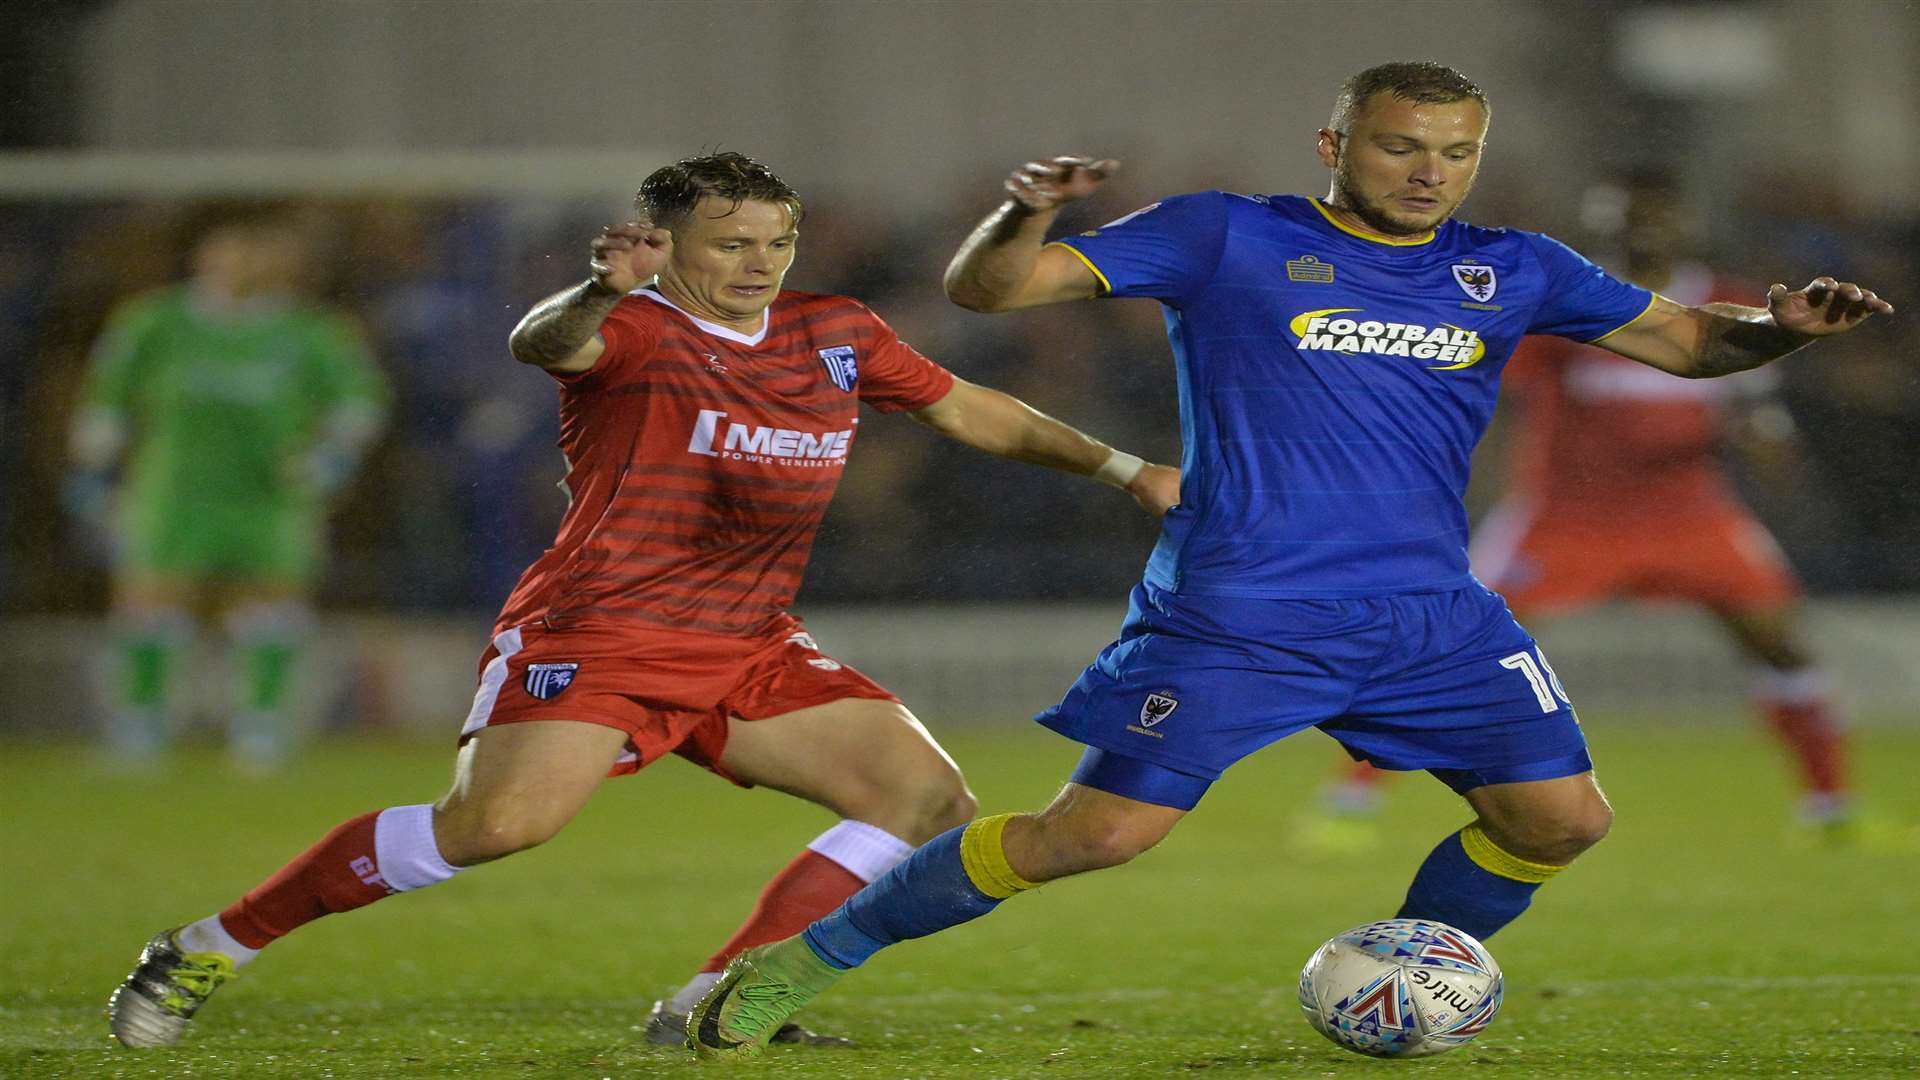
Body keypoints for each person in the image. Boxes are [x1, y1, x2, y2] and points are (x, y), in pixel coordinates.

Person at [683, 62, 1894, 1057]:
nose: (1428, 172)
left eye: (1454, 152)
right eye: (1400, 147)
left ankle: (1402, 978)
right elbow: (992, 290)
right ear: (1334, 146)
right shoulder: (1225, 237)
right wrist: (1027, 213)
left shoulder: (1513, 266)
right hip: (1241, 611)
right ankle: (791, 969)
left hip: (1432, 614)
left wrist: (1774, 335)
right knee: (1091, 838)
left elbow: (1688, 345)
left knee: (1559, 822)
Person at [105, 152, 1179, 1051]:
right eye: (730, 244)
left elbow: (968, 410)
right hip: (605, 626)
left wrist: (1128, 470)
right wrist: (602, 290)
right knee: (495, 827)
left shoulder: (836, 332)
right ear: (667, 247)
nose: (759, 264)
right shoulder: (636, 331)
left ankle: (712, 998)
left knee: (925, 804)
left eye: (775, 242)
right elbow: (549, 343)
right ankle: (210, 945)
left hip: (749, 641)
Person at [1306, 171, 1876, 847]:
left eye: (1647, 218)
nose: (1633, 232)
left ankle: (1831, 810)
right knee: (1452, 647)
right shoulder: (1568, 299)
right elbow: (1496, 403)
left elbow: (1757, 407)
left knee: (1782, 646)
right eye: (1617, 221)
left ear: (1680, 223)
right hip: (1568, 517)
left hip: (1690, 513)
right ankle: (1352, 801)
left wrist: (1768, 442)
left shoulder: (1731, 302)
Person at [66, 206, 389, 771]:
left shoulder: (311, 331)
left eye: (255, 251)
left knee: (269, 607)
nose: (242, 263)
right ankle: (142, 726)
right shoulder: (154, 322)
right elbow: (108, 397)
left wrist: (330, 459)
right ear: (204, 256)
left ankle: (262, 728)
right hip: (171, 489)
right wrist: (93, 465)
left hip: (270, 494)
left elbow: (359, 402)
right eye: (230, 249)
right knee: (151, 604)